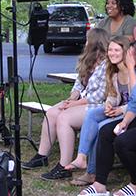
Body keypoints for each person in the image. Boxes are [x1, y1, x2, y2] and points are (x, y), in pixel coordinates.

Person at [77, 38, 136, 196]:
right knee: (107, 131)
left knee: (123, 142)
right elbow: (134, 104)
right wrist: (124, 122)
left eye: (132, 56)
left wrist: (131, 71)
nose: (129, 59)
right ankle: (99, 184)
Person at [22, 28, 109, 179]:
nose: (85, 42)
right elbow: (78, 85)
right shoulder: (87, 60)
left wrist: (73, 105)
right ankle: (42, 155)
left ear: (96, 42)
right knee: (52, 113)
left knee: (64, 118)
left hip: (98, 105)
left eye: (88, 39)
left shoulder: (107, 64)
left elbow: (100, 96)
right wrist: (71, 99)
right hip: (81, 102)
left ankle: (65, 166)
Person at [62, 35, 131, 185]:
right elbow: (113, 94)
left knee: (101, 127)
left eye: (116, 50)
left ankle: (92, 172)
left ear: (126, 51)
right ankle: (81, 157)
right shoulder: (114, 72)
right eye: (110, 50)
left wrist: (120, 110)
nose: (112, 53)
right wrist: (109, 104)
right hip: (116, 109)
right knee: (93, 114)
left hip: (131, 114)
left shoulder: (133, 73)